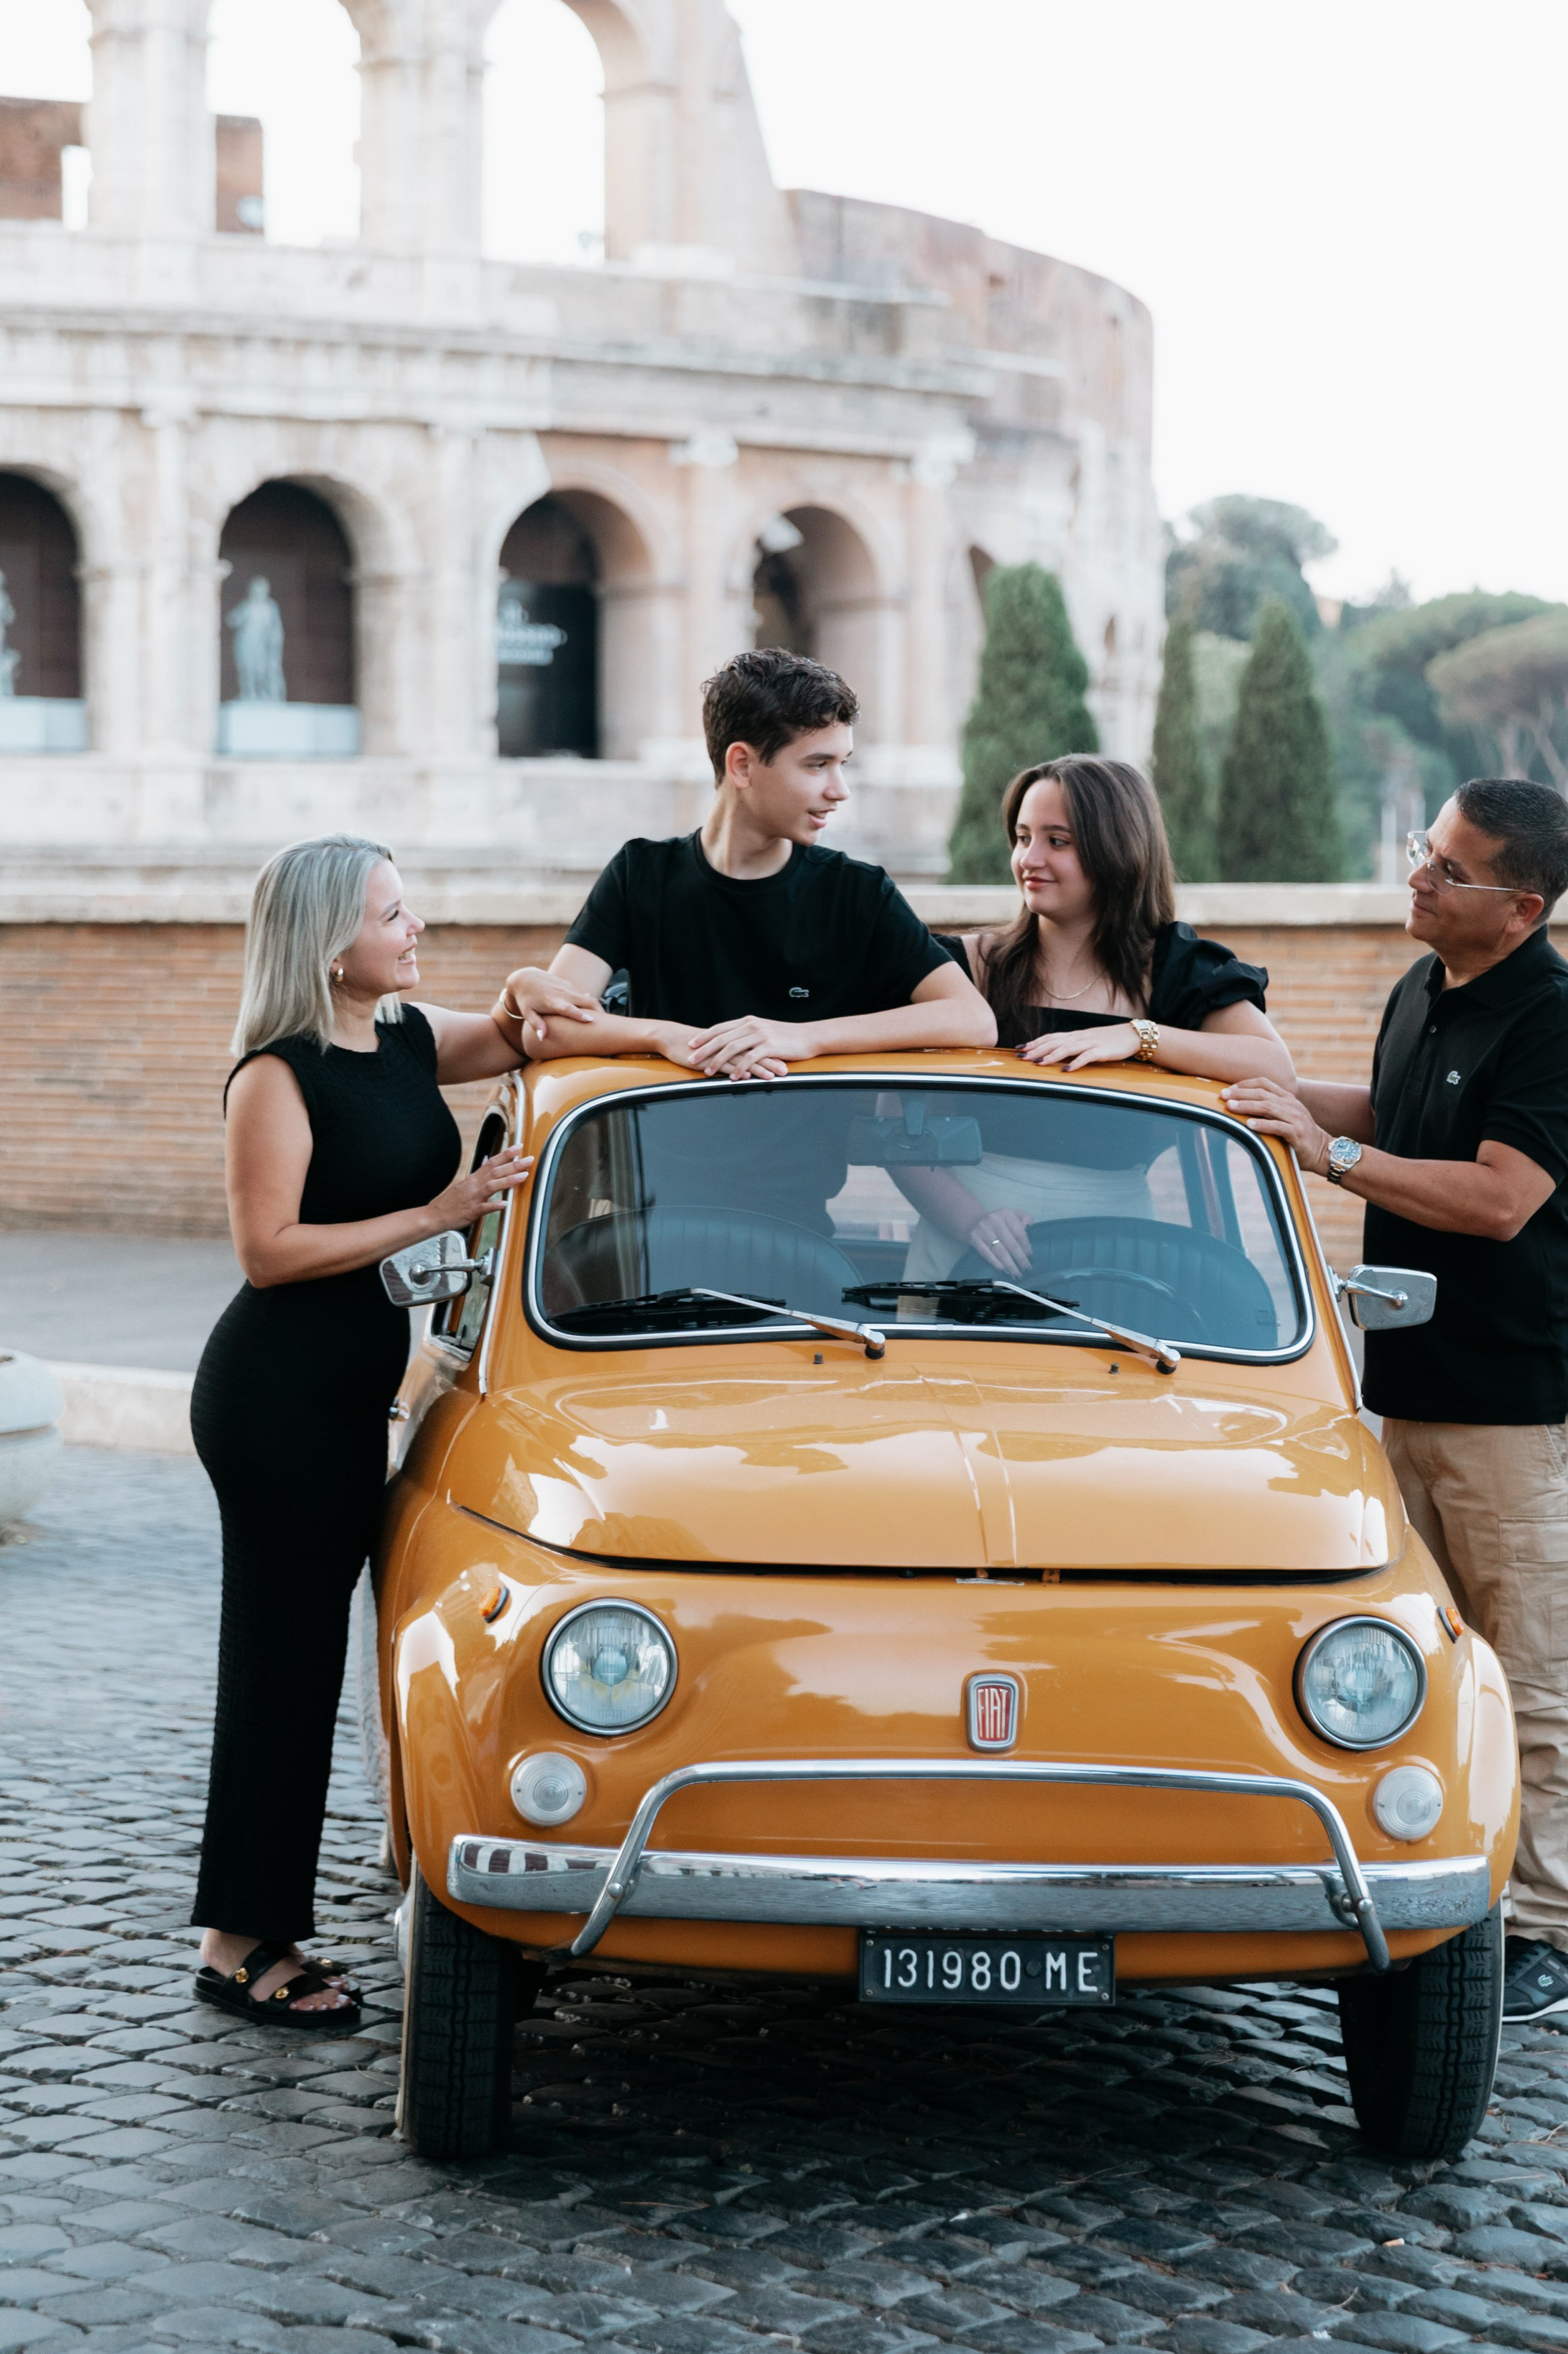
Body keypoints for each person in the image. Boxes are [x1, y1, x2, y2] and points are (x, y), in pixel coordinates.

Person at [1225, 778, 1568, 2024]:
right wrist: (1249, 1100)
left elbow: (1499, 1198)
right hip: (1410, 1396)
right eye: (1423, 849)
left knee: (1542, 1678)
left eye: (1450, 868)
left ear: (1522, 907)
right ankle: (1438, 1887)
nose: (1418, 876)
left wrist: (1334, 1156)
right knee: (1425, 1669)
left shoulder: (1563, 1026)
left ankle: (1547, 1931)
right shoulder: (1423, 988)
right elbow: (1385, 1117)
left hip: (1527, 1415)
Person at [191, 835, 531, 2028]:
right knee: (281, 1662)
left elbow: (524, 1036)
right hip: (274, 1399)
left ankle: (259, 1923)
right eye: (392, 913)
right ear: (331, 943)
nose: (414, 926)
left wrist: (584, 1001)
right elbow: (268, 1250)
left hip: (342, 1396)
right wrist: (436, 1214)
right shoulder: (275, 1076)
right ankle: (238, 1944)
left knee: (307, 1661)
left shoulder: (406, 1039)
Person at [500, 647, 994, 1073]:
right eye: (818, 765)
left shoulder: (857, 892)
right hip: (663, 1153)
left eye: (841, 764)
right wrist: (663, 1035)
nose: (840, 790)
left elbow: (972, 1019)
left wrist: (804, 1037)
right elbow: (549, 1031)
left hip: (812, 1158)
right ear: (742, 764)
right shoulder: (641, 874)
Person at [898, 756, 1296, 1279]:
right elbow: (895, 1125)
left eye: (1057, 841)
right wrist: (972, 1222)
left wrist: (1140, 1037)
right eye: (1022, 837)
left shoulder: (1176, 971)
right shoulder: (968, 966)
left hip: (1120, 1255)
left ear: (1116, 850)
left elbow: (1276, 1072)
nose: (1029, 859)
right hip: (962, 1244)